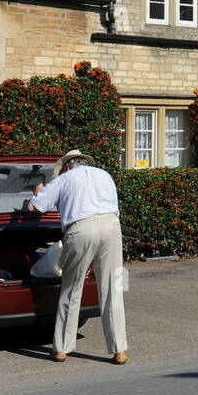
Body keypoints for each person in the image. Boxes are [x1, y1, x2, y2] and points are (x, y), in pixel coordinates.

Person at [28, 150, 128, 364]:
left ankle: (62, 349)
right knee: (112, 288)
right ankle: (119, 350)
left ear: (67, 166)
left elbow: (34, 207)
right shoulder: (104, 174)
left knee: (72, 288)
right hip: (111, 226)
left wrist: (37, 192)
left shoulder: (64, 178)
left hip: (81, 229)